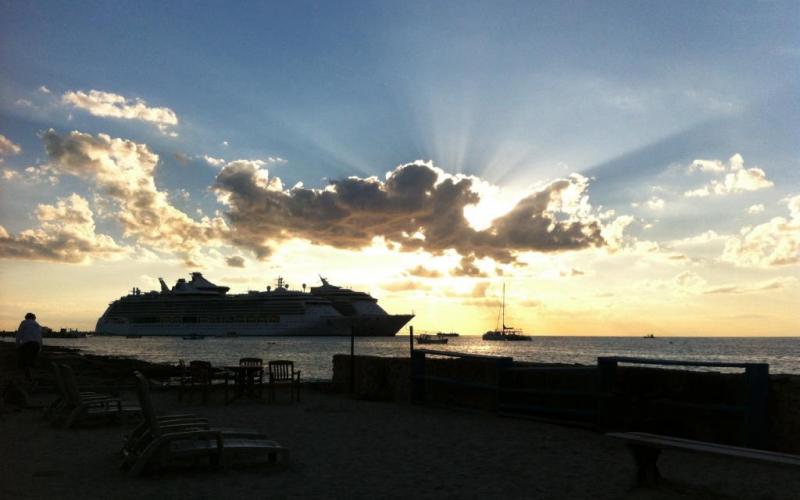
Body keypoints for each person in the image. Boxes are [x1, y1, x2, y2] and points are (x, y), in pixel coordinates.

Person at [16, 313, 42, 382]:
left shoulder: (24, 323)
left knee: (23, 360)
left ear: (26, 318)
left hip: (28, 344)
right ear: (34, 318)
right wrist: (40, 348)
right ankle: (30, 375)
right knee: (31, 360)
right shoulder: (37, 325)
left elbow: (19, 335)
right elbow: (40, 338)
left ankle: (26, 376)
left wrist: (17, 345)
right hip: (36, 345)